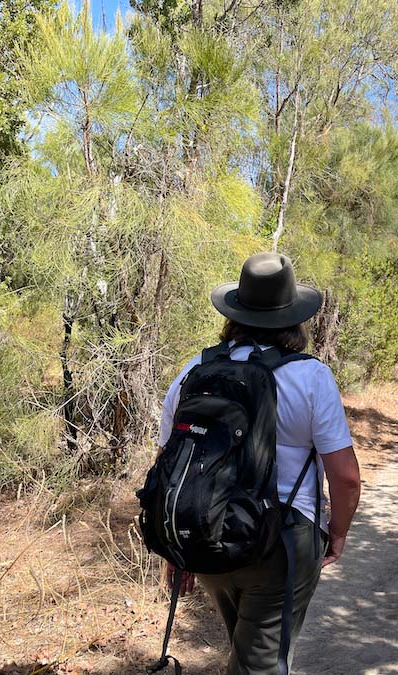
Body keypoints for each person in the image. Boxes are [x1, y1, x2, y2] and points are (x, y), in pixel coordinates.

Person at [155, 252, 362, 674]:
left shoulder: (195, 370)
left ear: (235, 312)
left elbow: (169, 463)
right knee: (261, 665)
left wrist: (177, 549)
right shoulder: (310, 377)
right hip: (281, 545)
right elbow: (346, 478)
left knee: (245, 652)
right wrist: (336, 533)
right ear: (293, 319)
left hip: (210, 535)